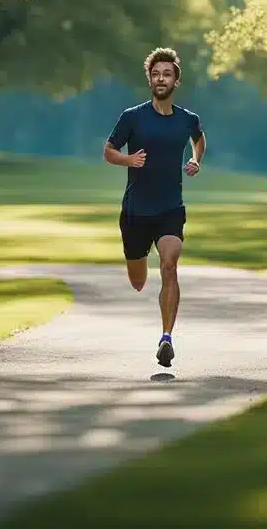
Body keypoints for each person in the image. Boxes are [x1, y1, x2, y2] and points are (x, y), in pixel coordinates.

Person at [103, 47, 205, 368]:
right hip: (136, 210)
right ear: (150, 78)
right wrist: (128, 160)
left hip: (170, 208)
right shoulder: (132, 117)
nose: (161, 78)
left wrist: (194, 159)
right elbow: (108, 150)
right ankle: (138, 263)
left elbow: (199, 139)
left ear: (176, 80)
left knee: (170, 265)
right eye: (156, 74)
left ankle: (166, 338)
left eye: (167, 74)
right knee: (138, 281)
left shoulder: (188, 120)